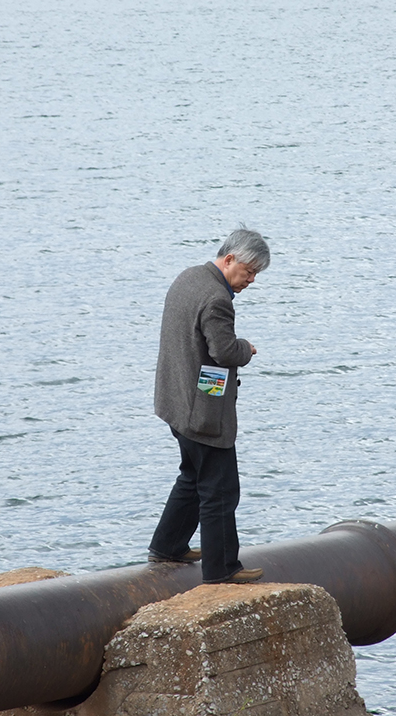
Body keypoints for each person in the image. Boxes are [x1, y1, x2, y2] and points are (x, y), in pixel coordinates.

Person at [148, 228, 270, 584]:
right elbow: (223, 351)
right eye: (249, 271)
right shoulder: (217, 298)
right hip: (201, 411)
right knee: (220, 488)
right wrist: (246, 348)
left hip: (174, 399)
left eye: (255, 275)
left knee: (193, 476)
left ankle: (168, 546)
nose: (250, 280)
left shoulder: (189, 277)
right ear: (229, 259)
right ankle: (221, 570)